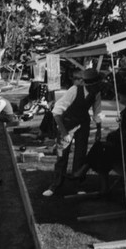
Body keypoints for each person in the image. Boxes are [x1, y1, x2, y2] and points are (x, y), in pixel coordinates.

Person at [72, 82, 126, 194]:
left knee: (102, 151)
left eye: (120, 95)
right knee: (100, 147)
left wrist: (113, 137)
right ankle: (86, 174)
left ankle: (83, 173)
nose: (118, 97)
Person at [42, 68, 103, 197]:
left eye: (98, 84)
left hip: (83, 124)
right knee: (62, 155)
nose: (96, 87)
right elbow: (57, 113)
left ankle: (78, 185)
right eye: (94, 85)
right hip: (67, 123)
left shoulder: (96, 93)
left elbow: (97, 112)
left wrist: (98, 130)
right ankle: (55, 185)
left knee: (80, 154)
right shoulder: (74, 90)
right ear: (87, 84)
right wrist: (65, 133)